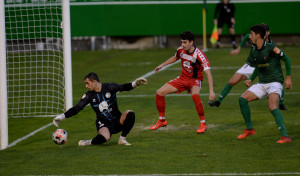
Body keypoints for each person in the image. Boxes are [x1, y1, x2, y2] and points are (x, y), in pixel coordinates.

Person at [53, 72, 147, 146]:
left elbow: (123, 87)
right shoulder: (88, 96)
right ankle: (90, 142)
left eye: (87, 83)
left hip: (117, 120)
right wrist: (61, 117)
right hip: (103, 123)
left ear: (94, 82)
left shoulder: (109, 87)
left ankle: (122, 139)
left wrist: (135, 84)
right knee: (105, 138)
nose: (86, 86)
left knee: (130, 114)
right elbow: (77, 108)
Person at [209, 24, 288, 110]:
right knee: (232, 81)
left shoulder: (271, 46)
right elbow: (247, 36)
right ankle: (218, 101)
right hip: (250, 65)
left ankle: (281, 103)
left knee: (276, 81)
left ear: (268, 33)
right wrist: (239, 48)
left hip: (264, 68)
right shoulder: (253, 38)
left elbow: (280, 59)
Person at [149, 31, 215, 133]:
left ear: (191, 42)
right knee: (159, 92)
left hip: (195, 80)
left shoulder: (200, 55)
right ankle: (162, 120)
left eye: (185, 42)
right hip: (182, 79)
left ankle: (203, 124)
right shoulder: (180, 50)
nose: (182, 45)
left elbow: (208, 74)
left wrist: (211, 91)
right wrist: (162, 65)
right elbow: (175, 57)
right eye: (181, 42)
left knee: (195, 96)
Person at [237, 25, 292, 143]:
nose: (249, 36)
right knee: (242, 99)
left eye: (251, 34)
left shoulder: (272, 48)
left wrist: (288, 78)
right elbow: (258, 66)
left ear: (258, 36)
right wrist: (251, 79)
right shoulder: (253, 50)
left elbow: (286, 58)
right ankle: (249, 129)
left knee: (272, 106)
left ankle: (285, 136)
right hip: (262, 83)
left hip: (275, 82)